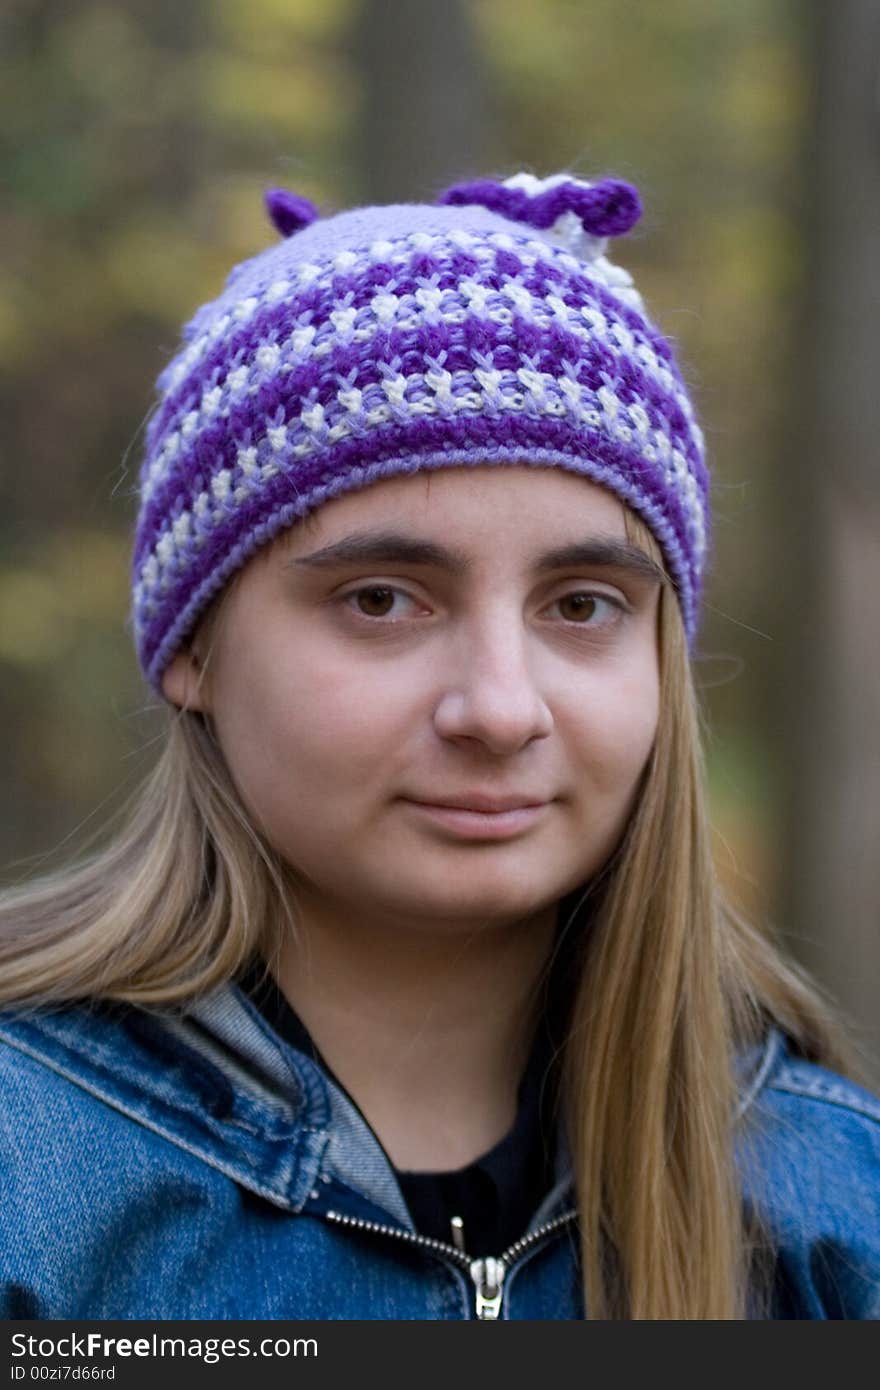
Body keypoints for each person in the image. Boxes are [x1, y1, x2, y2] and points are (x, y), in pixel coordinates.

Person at [0, 171, 878, 1322]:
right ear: (193, 647)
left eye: (580, 606)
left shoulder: (826, 1203)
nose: (501, 709)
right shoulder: (35, 1173)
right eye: (380, 600)